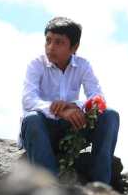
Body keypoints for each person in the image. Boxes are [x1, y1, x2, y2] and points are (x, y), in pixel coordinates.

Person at [18, 17, 120, 185]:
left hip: (73, 131)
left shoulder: (83, 65)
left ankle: (100, 186)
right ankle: (50, 187)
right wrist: (60, 110)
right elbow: (29, 100)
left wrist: (75, 106)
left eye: (59, 42)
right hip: (45, 132)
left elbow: (98, 98)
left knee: (110, 115)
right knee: (31, 119)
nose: (51, 47)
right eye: (48, 41)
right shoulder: (36, 65)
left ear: (74, 47)